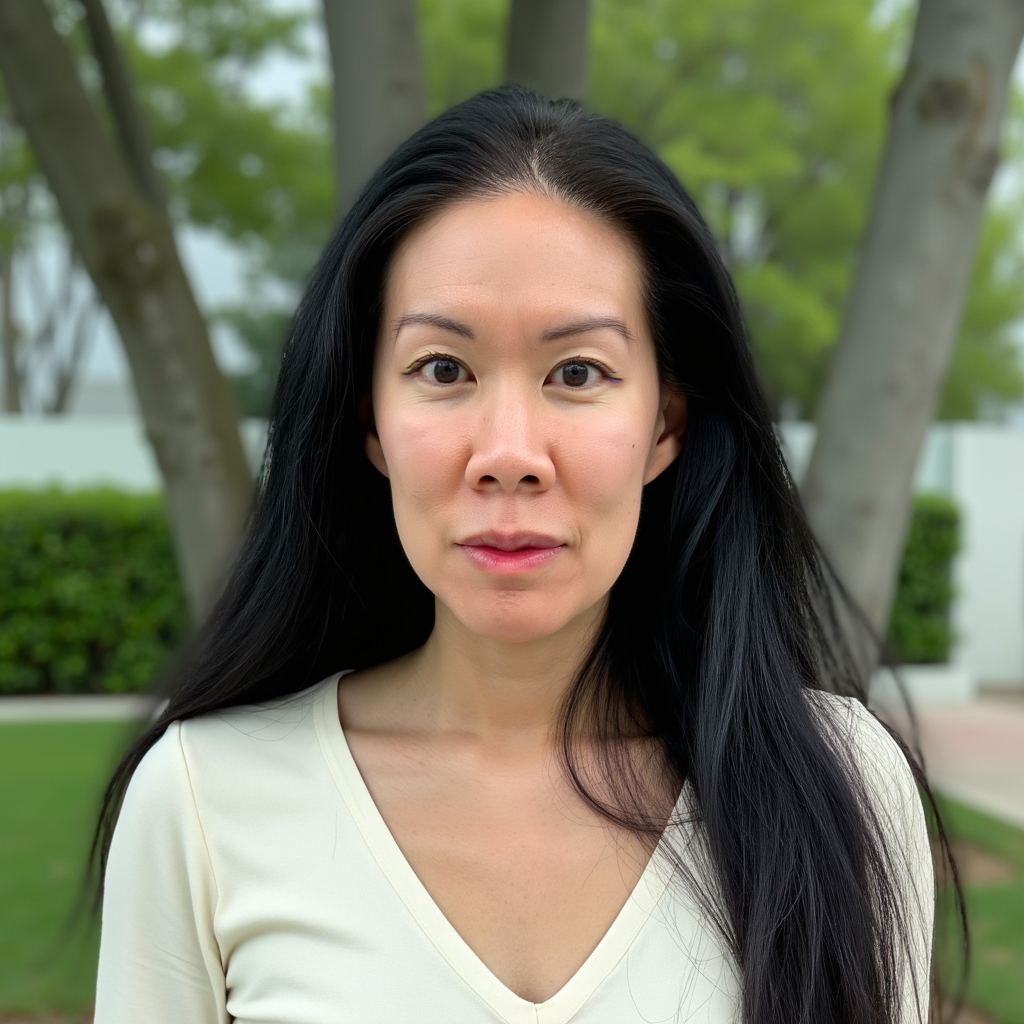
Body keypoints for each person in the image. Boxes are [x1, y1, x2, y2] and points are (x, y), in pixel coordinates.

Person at [93, 87, 937, 1024]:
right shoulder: (206, 799)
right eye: (442, 370)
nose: (507, 455)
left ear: (665, 424)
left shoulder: (840, 786)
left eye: (577, 373)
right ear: (368, 421)